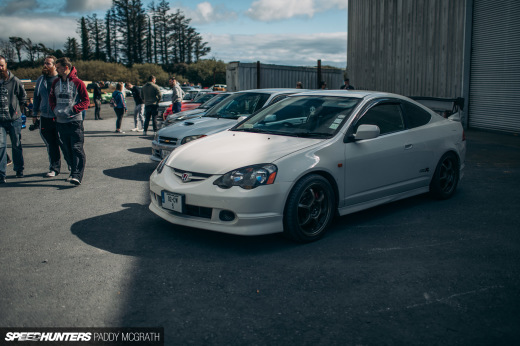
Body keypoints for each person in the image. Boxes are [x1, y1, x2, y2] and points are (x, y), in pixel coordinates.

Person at [49, 57, 89, 186]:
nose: (56, 69)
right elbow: (52, 98)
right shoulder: (55, 83)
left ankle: (77, 175)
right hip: (60, 122)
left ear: (66, 68)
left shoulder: (78, 83)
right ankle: (72, 170)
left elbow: (86, 101)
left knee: (76, 147)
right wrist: (55, 109)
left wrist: (73, 110)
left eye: (58, 67)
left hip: (74, 121)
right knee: (66, 148)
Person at [33, 55, 63, 178]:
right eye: (44, 63)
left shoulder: (61, 79)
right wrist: (35, 114)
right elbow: (36, 97)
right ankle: (54, 168)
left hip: (59, 117)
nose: (45, 65)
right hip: (45, 117)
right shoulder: (41, 80)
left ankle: (72, 166)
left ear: (55, 65)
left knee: (63, 143)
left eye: (48, 63)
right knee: (51, 144)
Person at [0, 55, 26, 184]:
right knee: (1, 146)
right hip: (0, 120)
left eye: (1, 65)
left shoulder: (14, 80)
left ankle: (19, 169)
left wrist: (19, 111)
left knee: (16, 145)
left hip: (13, 119)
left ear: (6, 66)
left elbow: (22, 96)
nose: (0, 68)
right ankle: (1, 173)